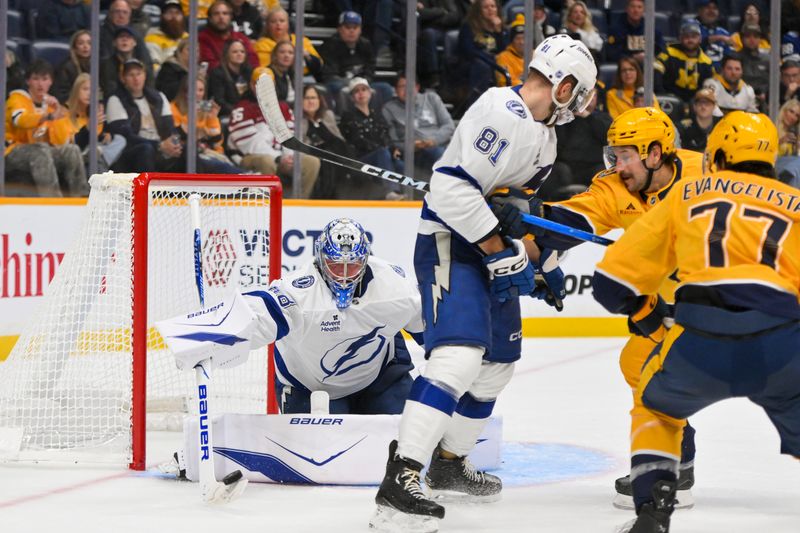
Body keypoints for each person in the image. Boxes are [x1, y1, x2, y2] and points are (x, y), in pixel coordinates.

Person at [369, 34, 596, 532]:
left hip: (487, 249)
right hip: (451, 244)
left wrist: (540, 266)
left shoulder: (547, 138)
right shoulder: (501, 109)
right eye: (578, 92)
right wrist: (499, 252)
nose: (580, 104)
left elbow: (514, 208)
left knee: (497, 364)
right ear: (562, 84)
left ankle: (448, 463)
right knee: (460, 355)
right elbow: (450, 192)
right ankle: (402, 475)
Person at [592, 111, 800, 533]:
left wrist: (648, 319)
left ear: (717, 156)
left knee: (655, 407)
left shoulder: (688, 193)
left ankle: (653, 508)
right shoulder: (796, 204)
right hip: (781, 343)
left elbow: (610, 283)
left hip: (700, 337)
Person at [159, 218, 422, 415]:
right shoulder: (299, 293)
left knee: (407, 440)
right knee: (321, 451)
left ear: (365, 261)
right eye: (335, 265)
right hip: (309, 386)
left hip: (381, 378)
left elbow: (434, 331)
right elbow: (255, 314)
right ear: (320, 260)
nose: (343, 274)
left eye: (351, 265)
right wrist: (197, 339)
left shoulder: (397, 289)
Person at [227, 69, 320, 198]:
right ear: (252, 85)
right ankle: (269, 205)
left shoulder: (283, 107)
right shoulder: (242, 109)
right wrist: (278, 157)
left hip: (280, 158)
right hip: (250, 158)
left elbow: (291, 134)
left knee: (312, 162)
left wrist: (288, 156)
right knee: (267, 161)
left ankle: (299, 204)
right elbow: (251, 144)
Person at [4, 60, 88, 197]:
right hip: (11, 151)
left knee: (71, 150)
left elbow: (62, 141)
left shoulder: (51, 105)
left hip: (40, 150)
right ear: (28, 81)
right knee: (40, 150)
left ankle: (82, 199)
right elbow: (19, 120)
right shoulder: (16, 98)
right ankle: (53, 202)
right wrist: (46, 117)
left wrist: (57, 113)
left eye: (45, 79)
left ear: (51, 82)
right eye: (35, 79)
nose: (40, 84)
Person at [106, 58, 183, 174]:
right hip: (132, 152)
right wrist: (159, 145)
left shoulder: (159, 97)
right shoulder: (116, 100)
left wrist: (173, 144)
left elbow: (170, 128)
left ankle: (194, 191)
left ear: (145, 75)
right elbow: (125, 137)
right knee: (146, 149)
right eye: (130, 75)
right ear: (123, 78)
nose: (136, 79)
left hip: (160, 149)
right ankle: (146, 191)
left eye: (138, 74)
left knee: (187, 151)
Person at [382, 73, 455, 181]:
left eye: (410, 86)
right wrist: (411, 146)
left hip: (439, 145)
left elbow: (449, 125)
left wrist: (433, 140)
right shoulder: (389, 108)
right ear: (396, 90)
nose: (407, 90)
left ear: (417, 87)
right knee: (439, 156)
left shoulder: (431, 98)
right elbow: (392, 139)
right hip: (414, 153)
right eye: (402, 86)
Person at [339, 77, 403, 199]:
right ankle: (390, 191)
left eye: (364, 89)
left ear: (370, 93)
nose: (361, 93)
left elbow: (385, 135)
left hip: (381, 155)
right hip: (360, 159)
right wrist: (384, 149)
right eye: (356, 91)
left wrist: (392, 148)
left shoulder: (376, 114)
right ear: (352, 97)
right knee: (382, 153)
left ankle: (413, 196)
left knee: (400, 164)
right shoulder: (348, 116)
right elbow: (357, 140)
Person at [170, 74, 242, 174]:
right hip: (186, 155)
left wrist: (212, 117)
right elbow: (178, 134)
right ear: (184, 91)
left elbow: (216, 138)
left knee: (222, 165)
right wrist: (193, 117)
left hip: (210, 152)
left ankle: (246, 177)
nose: (197, 94)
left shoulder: (206, 109)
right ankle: (246, 176)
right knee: (222, 167)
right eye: (194, 89)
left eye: (201, 90)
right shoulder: (173, 108)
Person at [65, 73, 127, 173]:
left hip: (93, 149)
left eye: (92, 90)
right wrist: (89, 128)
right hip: (75, 152)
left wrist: (106, 136)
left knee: (120, 139)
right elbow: (73, 143)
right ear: (76, 91)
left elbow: (100, 135)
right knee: (96, 159)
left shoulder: (94, 111)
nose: (89, 93)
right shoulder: (65, 111)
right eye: (85, 89)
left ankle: (99, 154)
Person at [300, 85, 351, 199]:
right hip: (313, 154)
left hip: (334, 153)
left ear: (319, 100)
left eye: (313, 98)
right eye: (307, 98)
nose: (310, 101)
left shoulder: (327, 115)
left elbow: (338, 138)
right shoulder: (298, 119)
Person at [654, 21, 714, 105]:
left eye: (694, 37)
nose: (690, 40)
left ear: (700, 39)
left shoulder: (707, 62)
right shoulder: (668, 52)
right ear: (680, 38)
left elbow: (709, 88)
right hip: (668, 99)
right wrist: (662, 95)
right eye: (686, 37)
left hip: (695, 104)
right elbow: (656, 72)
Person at [254, 6, 322, 79]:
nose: (278, 24)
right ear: (267, 25)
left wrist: (307, 56)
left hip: (304, 78)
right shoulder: (260, 45)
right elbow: (263, 69)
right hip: (274, 79)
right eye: (273, 21)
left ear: (288, 24)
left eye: (282, 21)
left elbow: (319, 63)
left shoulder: (301, 40)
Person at [199, 0, 259, 71]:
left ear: (230, 17)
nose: (221, 17)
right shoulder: (202, 38)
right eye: (216, 14)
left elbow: (254, 61)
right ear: (210, 18)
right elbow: (210, 65)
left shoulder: (241, 37)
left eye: (225, 13)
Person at [207, 39, 253, 120]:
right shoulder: (218, 73)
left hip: (246, 113)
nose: (239, 54)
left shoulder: (249, 71)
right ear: (226, 54)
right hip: (225, 115)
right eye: (235, 52)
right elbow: (219, 101)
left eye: (242, 52)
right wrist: (238, 112)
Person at [145, 0, 188, 71]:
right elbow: (154, 67)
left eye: (177, 13)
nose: (174, 17)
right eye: (169, 13)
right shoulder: (152, 38)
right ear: (162, 17)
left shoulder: (187, 38)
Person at [53, 30, 92, 104]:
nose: (85, 46)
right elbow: (61, 95)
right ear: (74, 48)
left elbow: (100, 90)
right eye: (81, 43)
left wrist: (99, 102)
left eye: (89, 43)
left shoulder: (97, 65)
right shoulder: (66, 67)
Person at [677, 87, 720, 152]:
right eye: (700, 103)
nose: (703, 107)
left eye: (707, 104)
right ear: (694, 106)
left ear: (714, 106)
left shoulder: (721, 125)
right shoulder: (684, 128)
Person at [692, 0, 731, 69]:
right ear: (700, 10)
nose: (711, 11)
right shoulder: (692, 27)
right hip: (696, 72)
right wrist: (717, 38)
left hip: (720, 75)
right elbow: (690, 45)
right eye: (708, 7)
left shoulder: (724, 33)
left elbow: (730, 56)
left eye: (715, 8)